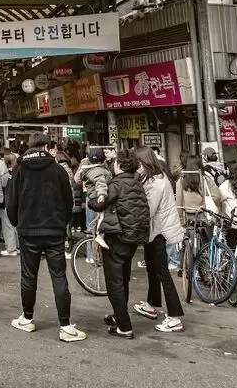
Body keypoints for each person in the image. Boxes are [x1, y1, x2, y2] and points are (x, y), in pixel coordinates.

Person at [6, 132, 87, 343]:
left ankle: (27, 317)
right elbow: (69, 201)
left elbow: (11, 203)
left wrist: (19, 223)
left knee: (28, 276)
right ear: (46, 146)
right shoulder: (58, 170)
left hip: (28, 232)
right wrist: (62, 222)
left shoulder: (19, 170)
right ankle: (66, 326)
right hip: (54, 231)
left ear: (30, 147)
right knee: (59, 276)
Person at [89, 149, 150, 340]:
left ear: (120, 165)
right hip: (134, 237)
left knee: (114, 282)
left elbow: (98, 204)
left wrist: (91, 200)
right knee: (123, 279)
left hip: (117, 236)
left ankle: (124, 326)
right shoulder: (137, 183)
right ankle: (118, 315)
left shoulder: (116, 185)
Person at [133, 145, 186, 333]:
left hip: (159, 232)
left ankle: (174, 317)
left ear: (144, 162)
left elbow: (149, 210)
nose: (136, 167)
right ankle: (151, 304)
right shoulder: (153, 178)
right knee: (153, 269)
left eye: (137, 163)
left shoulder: (156, 182)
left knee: (162, 273)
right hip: (154, 231)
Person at [0, 153, 20, 256]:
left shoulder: (6, 174)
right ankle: (18, 246)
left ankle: (11, 249)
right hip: (18, 202)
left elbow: (2, 186)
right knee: (16, 225)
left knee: (8, 226)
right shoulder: (19, 172)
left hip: (7, 202)